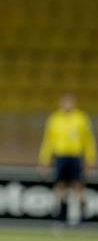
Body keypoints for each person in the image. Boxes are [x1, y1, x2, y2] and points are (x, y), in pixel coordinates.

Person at [39, 93, 96, 225]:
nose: (67, 105)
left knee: (78, 186)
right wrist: (44, 160)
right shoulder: (55, 119)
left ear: (74, 104)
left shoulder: (81, 118)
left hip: (76, 156)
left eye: (69, 102)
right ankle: (61, 217)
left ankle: (83, 218)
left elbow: (88, 140)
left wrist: (90, 159)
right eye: (65, 102)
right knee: (61, 186)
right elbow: (48, 141)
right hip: (60, 156)